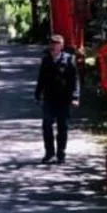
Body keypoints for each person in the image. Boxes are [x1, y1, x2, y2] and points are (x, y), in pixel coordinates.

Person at [34, 34, 79, 164]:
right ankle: (49, 153)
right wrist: (37, 95)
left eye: (57, 44)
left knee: (62, 126)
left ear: (62, 46)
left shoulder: (69, 60)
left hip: (63, 98)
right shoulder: (46, 60)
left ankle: (61, 152)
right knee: (47, 125)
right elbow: (41, 79)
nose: (54, 46)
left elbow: (75, 80)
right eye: (52, 43)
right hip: (49, 97)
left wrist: (75, 97)